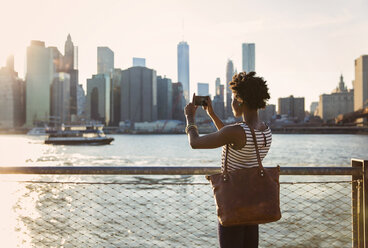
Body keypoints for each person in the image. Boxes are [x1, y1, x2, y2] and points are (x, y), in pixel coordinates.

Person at [184, 71, 272, 248]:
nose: (232, 102)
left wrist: (190, 118)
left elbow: (195, 142)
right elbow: (233, 138)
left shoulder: (237, 131)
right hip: (252, 204)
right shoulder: (265, 131)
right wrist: (212, 114)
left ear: (240, 100)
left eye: (233, 98)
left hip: (233, 204)